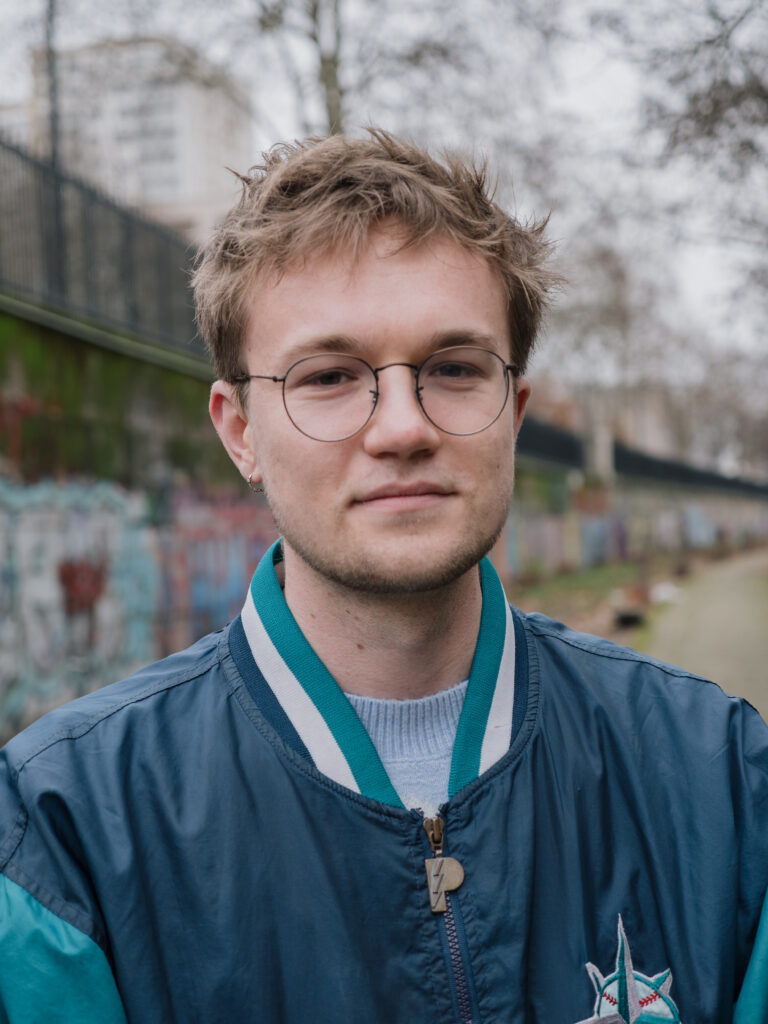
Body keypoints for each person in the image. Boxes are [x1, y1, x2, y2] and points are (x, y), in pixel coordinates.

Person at [0, 130, 766, 1024]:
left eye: (452, 368)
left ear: (513, 414)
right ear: (238, 429)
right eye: (328, 376)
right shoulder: (65, 838)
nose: (401, 426)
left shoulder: (720, 781)